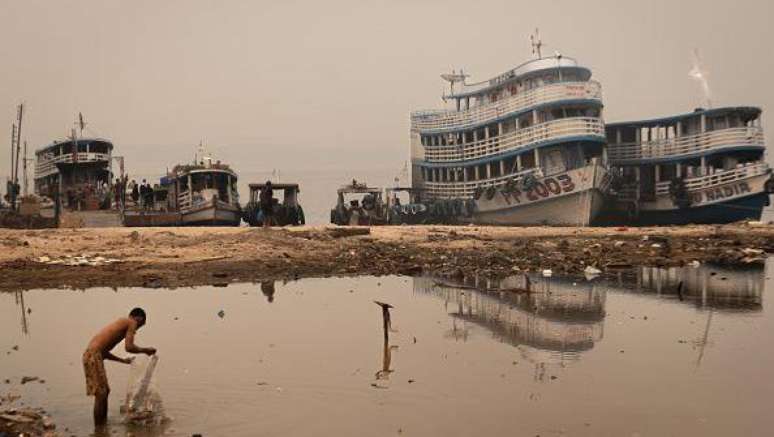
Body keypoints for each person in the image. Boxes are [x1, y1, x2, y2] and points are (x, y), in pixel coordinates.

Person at [83, 307, 156, 427]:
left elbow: (104, 352)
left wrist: (123, 361)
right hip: (93, 355)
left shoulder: (122, 324)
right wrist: (145, 350)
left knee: (104, 392)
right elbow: (129, 347)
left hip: (92, 355)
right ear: (138, 318)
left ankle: (102, 426)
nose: (137, 329)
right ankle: (99, 428)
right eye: (140, 325)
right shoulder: (131, 322)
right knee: (101, 394)